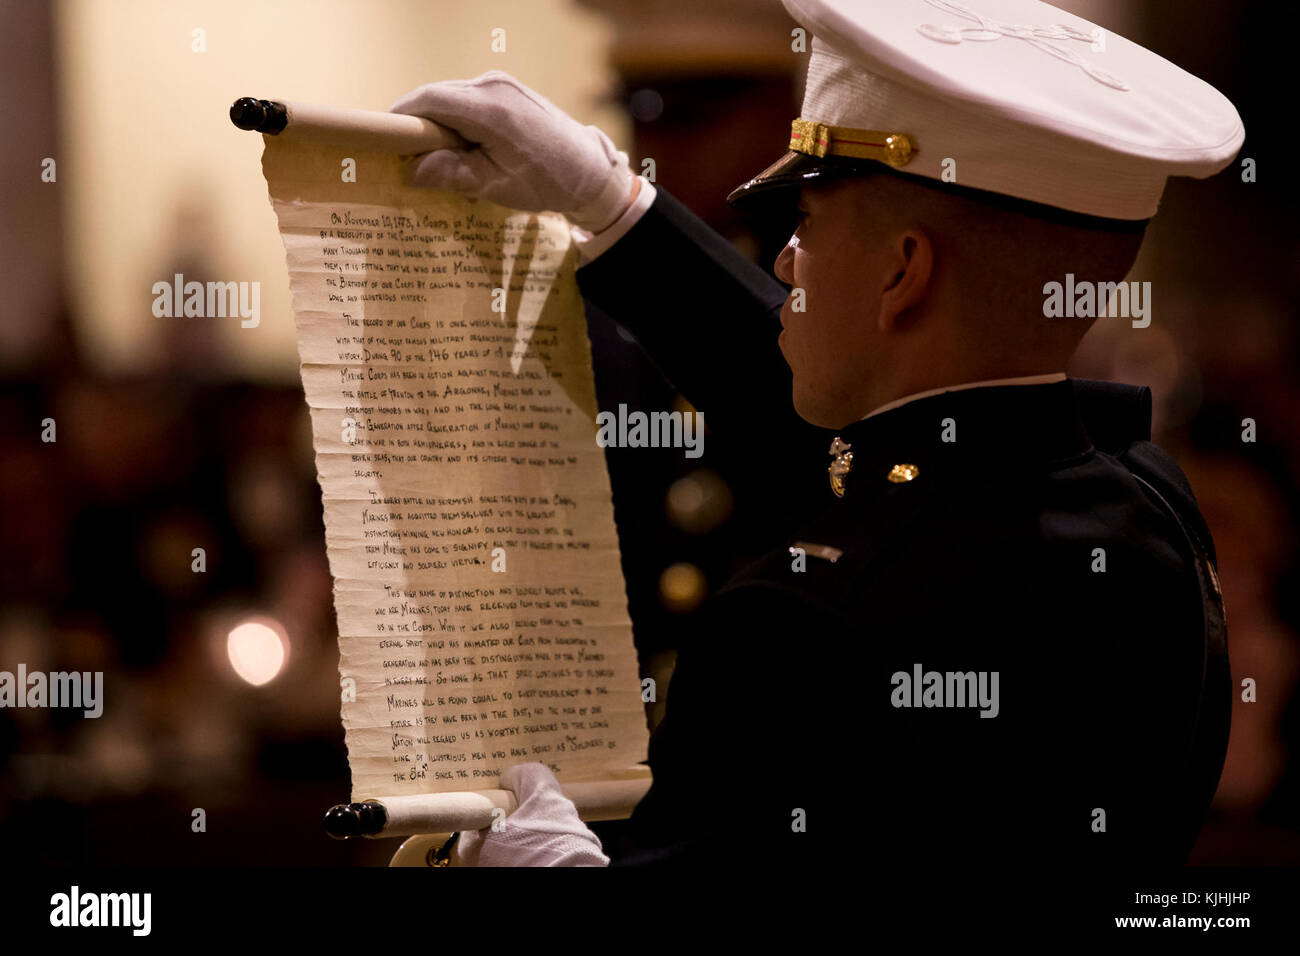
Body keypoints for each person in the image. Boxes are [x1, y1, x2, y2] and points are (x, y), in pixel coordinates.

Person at [389, 0, 1243, 871]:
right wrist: (618, 212)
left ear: (904, 271)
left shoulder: (802, 622)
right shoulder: (1146, 505)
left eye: (807, 225)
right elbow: (895, 456)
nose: (786, 261)